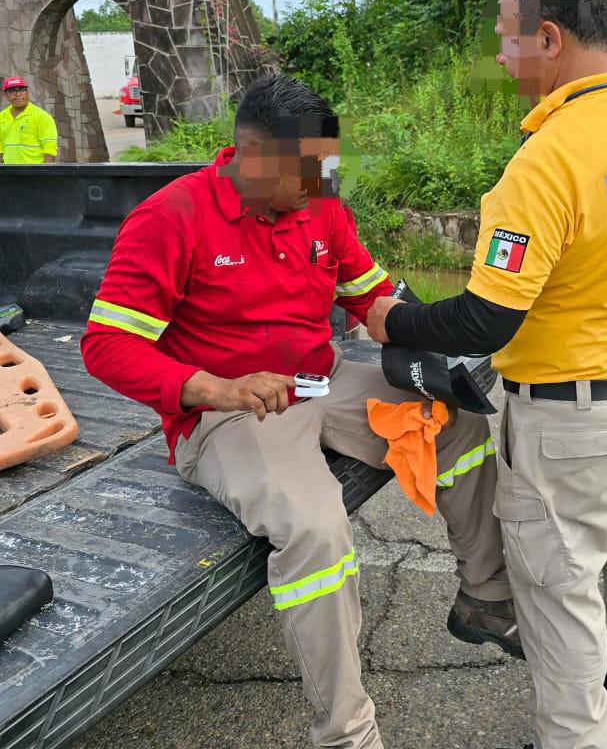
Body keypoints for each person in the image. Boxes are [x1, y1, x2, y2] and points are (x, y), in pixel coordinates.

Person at [81, 74, 521, 749]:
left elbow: (371, 302)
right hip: (230, 415)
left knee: (461, 427)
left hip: (322, 381)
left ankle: (485, 600)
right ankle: (348, 733)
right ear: (252, 155)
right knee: (316, 530)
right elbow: (106, 346)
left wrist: (453, 331)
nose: (323, 182)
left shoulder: (320, 210)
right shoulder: (172, 217)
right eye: (309, 169)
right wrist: (215, 389)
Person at [367, 0, 607, 748]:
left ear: (549, 38)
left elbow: (487, 322)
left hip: (566, 424)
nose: (499, 51)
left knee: (561, 595)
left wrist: (392, 322)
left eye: (506, 34)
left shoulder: (545, 162)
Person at [0, 77, 57, 163]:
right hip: (9, 173)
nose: (18, 94)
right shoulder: (1, 117)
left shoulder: (42, 116)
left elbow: (49, 148)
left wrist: (45, 175)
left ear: (27, 92)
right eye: (12, 90)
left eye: (22, 89)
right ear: (5, 95)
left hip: (34, 174)